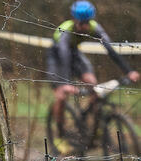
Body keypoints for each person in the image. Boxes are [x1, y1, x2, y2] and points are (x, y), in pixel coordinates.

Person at [48, 2, 139, 151]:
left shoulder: (95, 27)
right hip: (57, 56)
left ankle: (93, 127)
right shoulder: (66, 29)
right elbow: (64, 56)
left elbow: (111, 50)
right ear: (75, 19)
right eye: (81, 23)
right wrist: (65, 83)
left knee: (93, 84)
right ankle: (59, 136)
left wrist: (128, 71)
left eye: (87, 23)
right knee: (61, 96)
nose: (84, 26)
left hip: (75, 55)